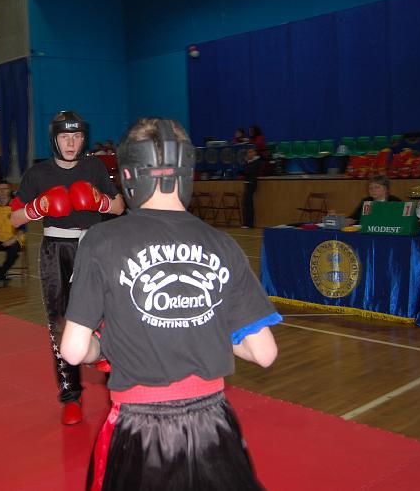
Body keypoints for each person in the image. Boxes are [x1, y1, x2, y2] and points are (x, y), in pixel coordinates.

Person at [60, 117, 280, 491]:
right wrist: (202, 326)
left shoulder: (101, 240)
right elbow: (264, 353)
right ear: (187, 172)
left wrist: (103, 345)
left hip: (140, 426)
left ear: (128, 175)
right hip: (214, 425)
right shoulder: (223, 243)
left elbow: (73, 350)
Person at [10, 110, 125, 425]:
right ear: (55, 139)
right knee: (61, 323)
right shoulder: (38, 174)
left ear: (84, 138)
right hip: (56, 250)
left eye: (77, 136)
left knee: (109, 317)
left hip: (95, 247)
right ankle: (71, 396)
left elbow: (119, 207)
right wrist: (37, 208)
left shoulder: (94, 167)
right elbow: (14, 217)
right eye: (65, 136)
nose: (71, 143)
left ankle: (119, 387)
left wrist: (101, 202)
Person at [242, 147, 261, 228]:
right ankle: (246, 222)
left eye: (251, 152)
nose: (249, 154)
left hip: (252, 183)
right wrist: (247, 163)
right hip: (247, 183)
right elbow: (245, 172)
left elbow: (250, 171)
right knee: (246, 203)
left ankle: (249, 224)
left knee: (249, 203)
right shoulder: (248, 162)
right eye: (248, 152)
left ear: (254, 153)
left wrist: (247, 162)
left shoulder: (256, 162)